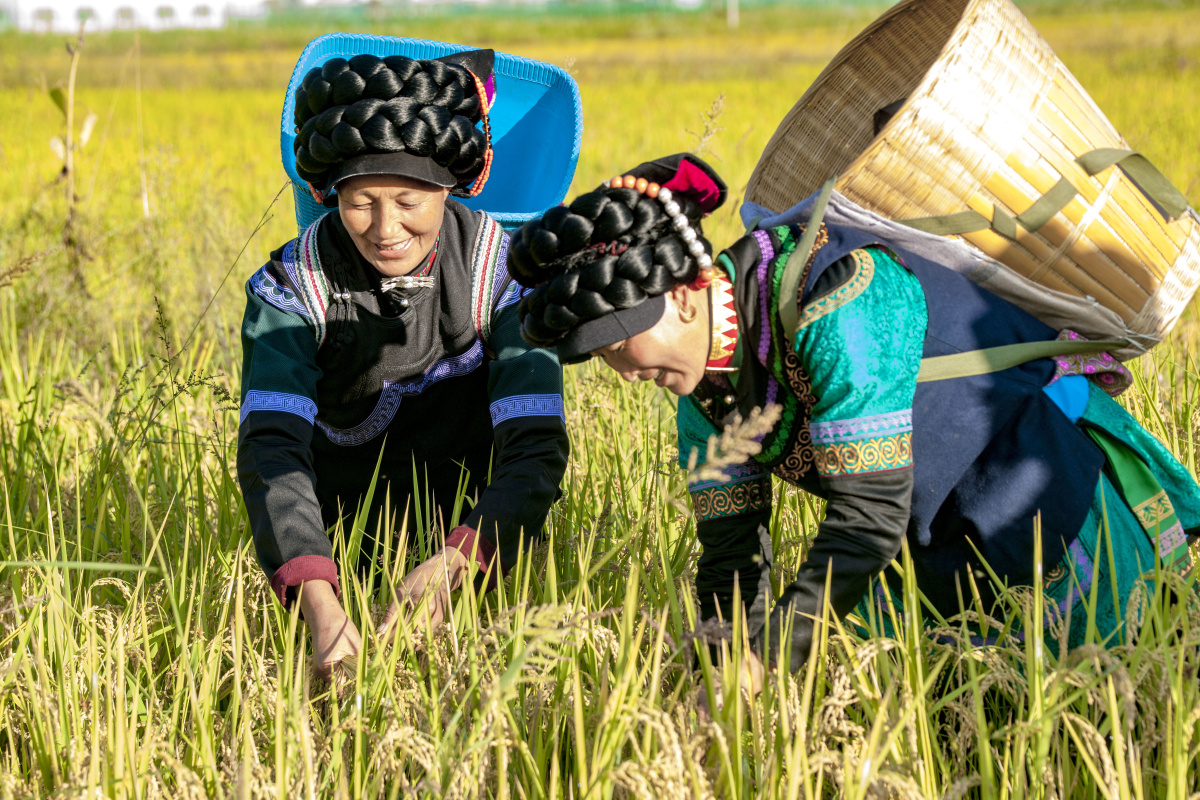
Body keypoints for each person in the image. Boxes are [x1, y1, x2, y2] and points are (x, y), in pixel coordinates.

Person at [507, 152, 1200, 677]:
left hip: (1041, 501)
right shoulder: (702, 401)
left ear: (685, 294)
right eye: (603, 359)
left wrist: (771, 659)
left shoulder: (840, 300)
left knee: (1112, 701)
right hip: (927, 540)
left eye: (621, 345)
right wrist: (720, 663)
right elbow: (732, 555)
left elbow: (867, 515)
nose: (626, 373)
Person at [237, 49, 569, 677]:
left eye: (410, 201)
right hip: (337, 551)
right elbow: (271, 448)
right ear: (331, 193)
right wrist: (320, 604)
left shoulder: (505, 274)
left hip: (480, 542)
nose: (385, 228)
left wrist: (459, 560)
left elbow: (535, 444)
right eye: (360, 202)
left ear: (449, 188)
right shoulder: (292, 286)